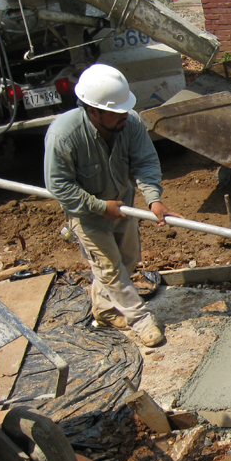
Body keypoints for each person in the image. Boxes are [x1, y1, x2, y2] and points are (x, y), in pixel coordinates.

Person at [44, 64, 180, 347]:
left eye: (123, 109)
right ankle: (141, 321)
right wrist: (97, 206)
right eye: (115, 112)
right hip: (86, 214)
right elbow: (59, 186)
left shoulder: (128, 123)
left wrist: (153, 198)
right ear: (93, 111)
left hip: (122, 206)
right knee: (110, 269)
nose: (123, 116)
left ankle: (105, 311)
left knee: (128, 259)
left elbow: (145, 161)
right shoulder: (63, 135)